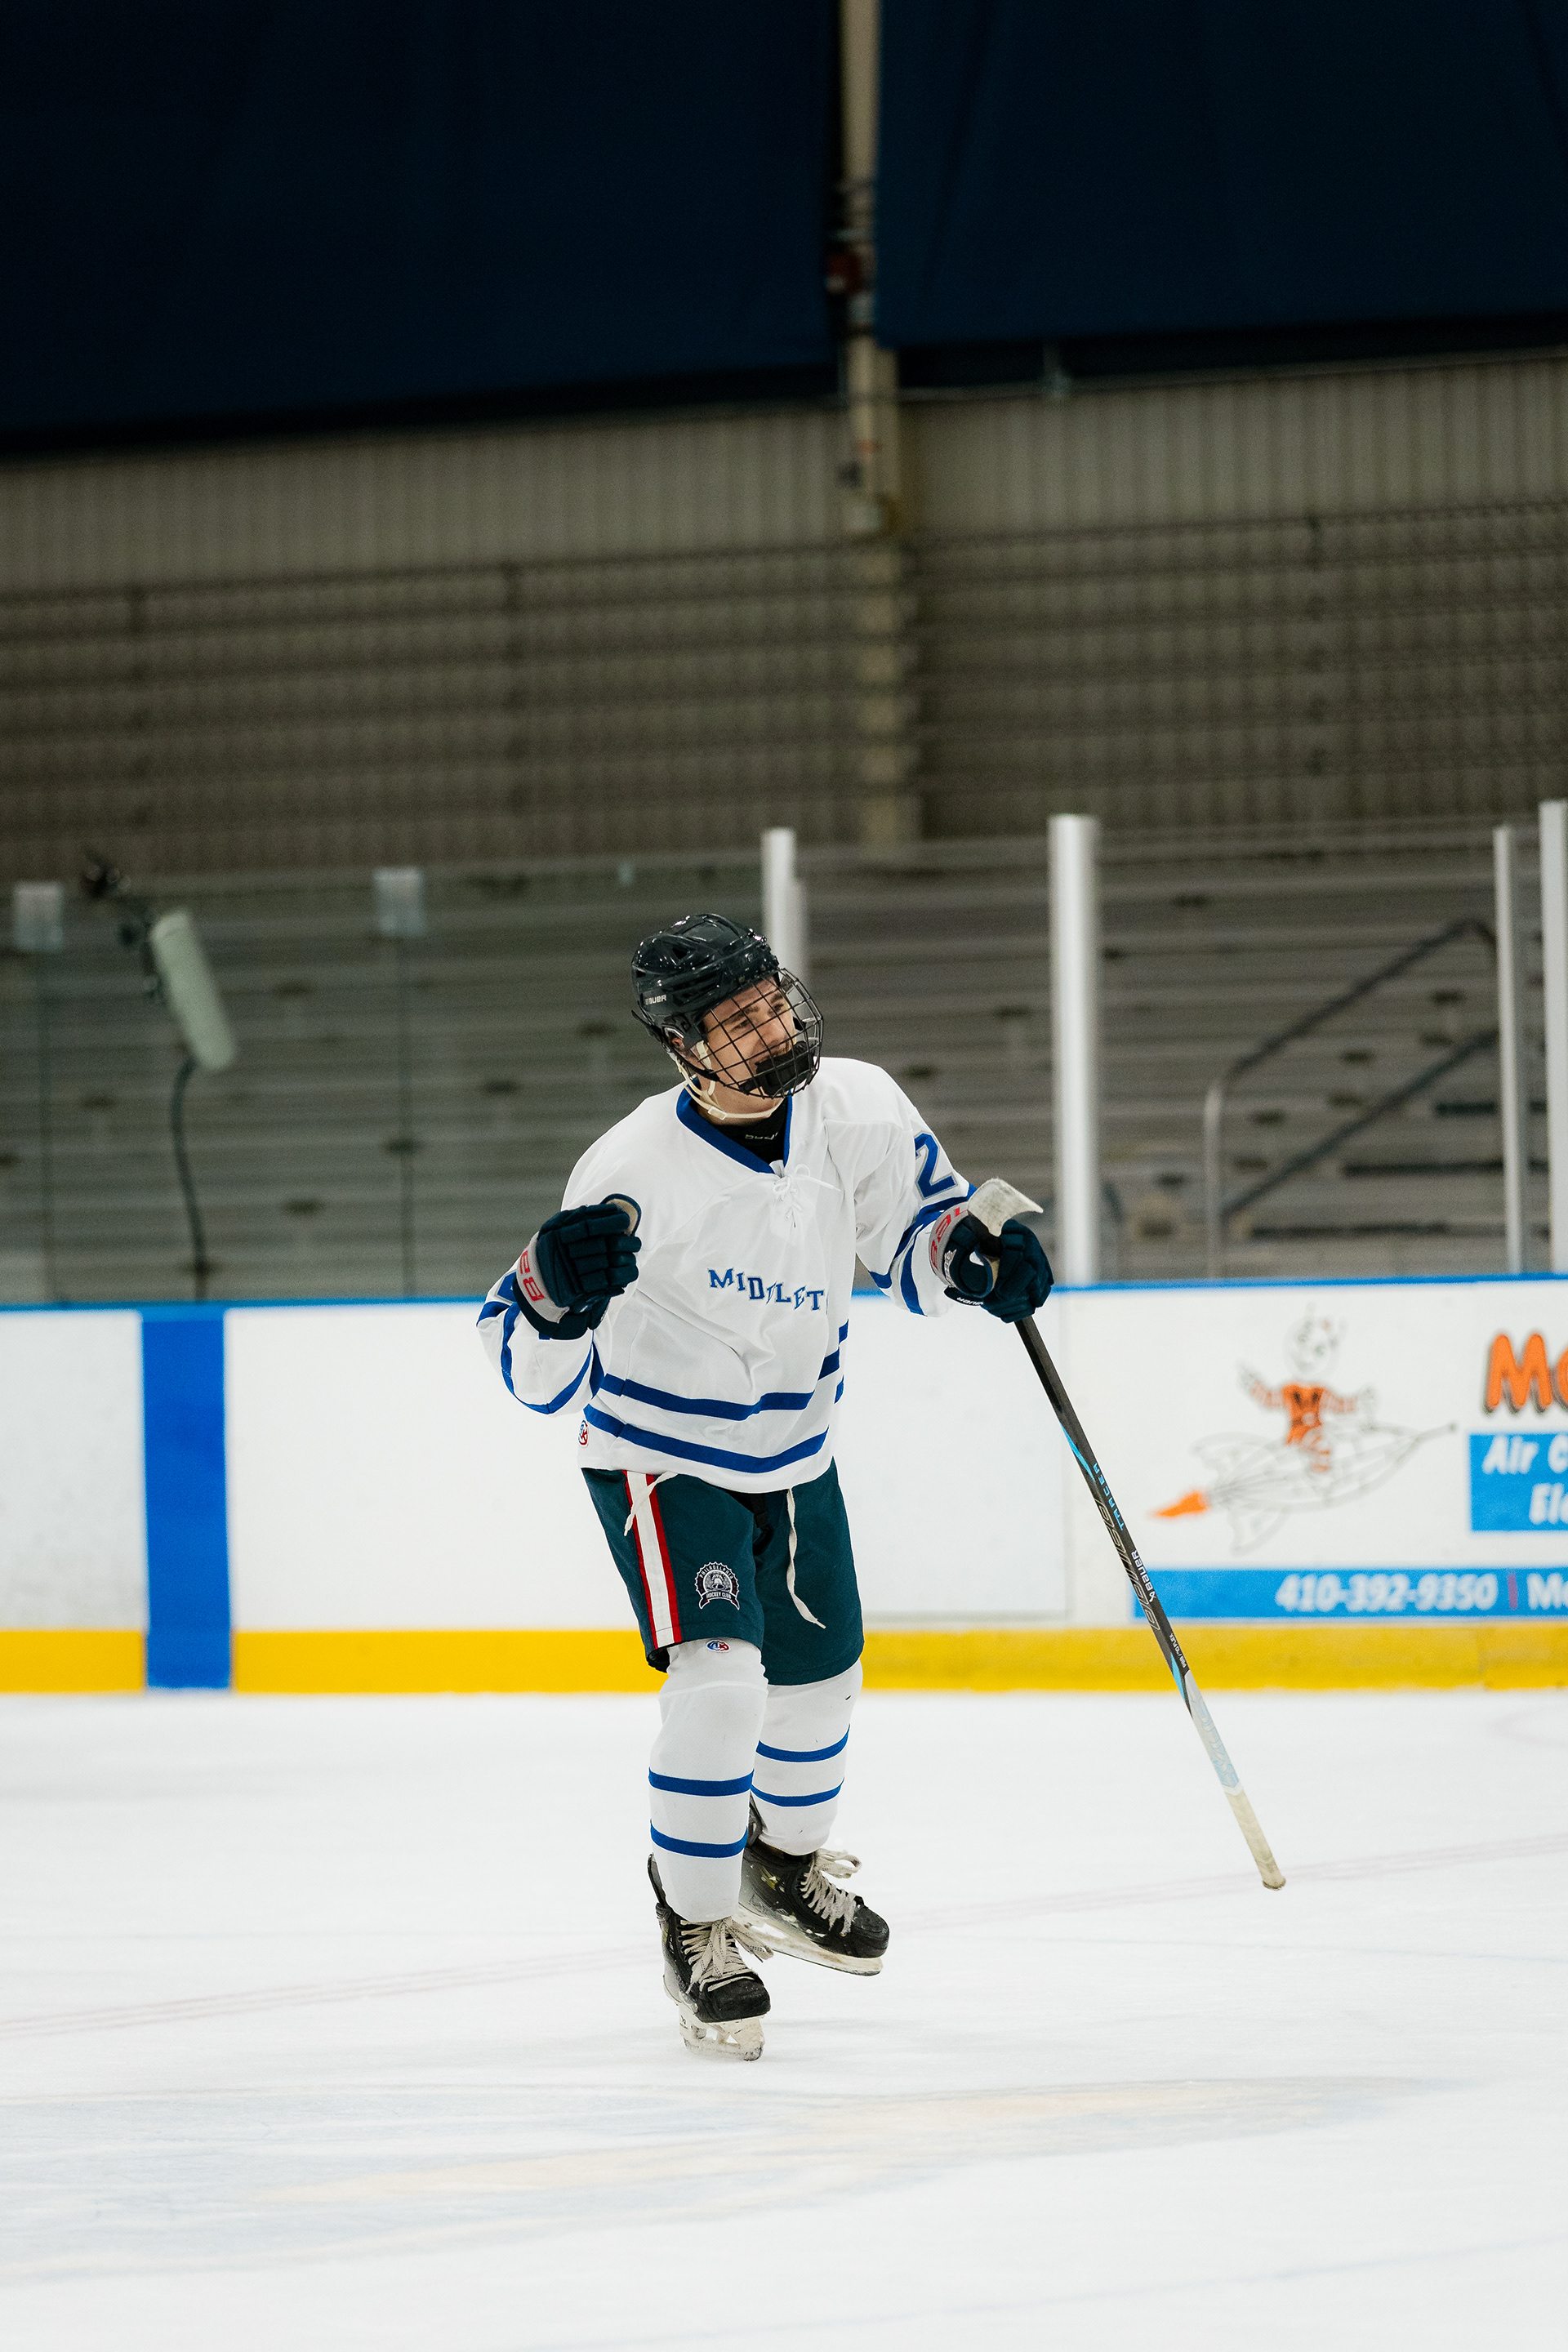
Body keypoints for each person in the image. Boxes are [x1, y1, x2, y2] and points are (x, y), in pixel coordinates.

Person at [478, 912, 1051, 2060]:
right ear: (684, 1047)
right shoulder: (631, 1168)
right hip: (662, 1455)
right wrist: (551, 1291)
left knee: (822, 1693)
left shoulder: (861, 1106)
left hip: (795, 1450)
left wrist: (971, 1258)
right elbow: (526, 1365)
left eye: (773, 1001)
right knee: (722, 1685)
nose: (773, 1029)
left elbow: (915, 1234)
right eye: (738, 1022)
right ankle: (694, 1921)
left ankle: (781, 1869)